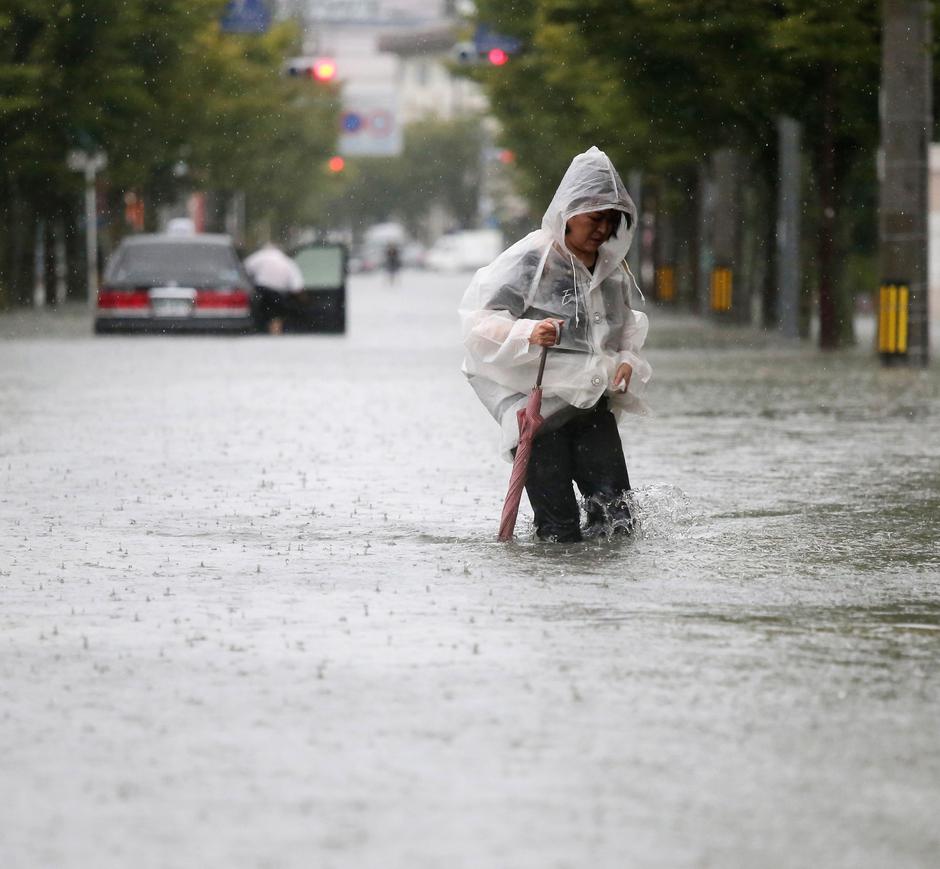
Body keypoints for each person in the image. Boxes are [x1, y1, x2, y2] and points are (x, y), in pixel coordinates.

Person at [459, 146, 652, 543]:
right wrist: (527, 332)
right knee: (558, 531)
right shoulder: (531, 260)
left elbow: (623, 335)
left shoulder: (614, 274)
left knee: (616, 524)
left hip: (591, 406)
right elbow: (479, 324)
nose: (601, 230)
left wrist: (627, 362)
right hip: (536, 413)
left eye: (612, 222)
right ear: (569, 212)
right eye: (595, 218)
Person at [244, 241, 305, 334]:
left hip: (260, 292)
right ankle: (275, 334)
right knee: (275, 317)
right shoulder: (287, 262)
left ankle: (259, 331)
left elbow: (244, 268)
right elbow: (297, 286)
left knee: (259, 317)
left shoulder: (259, 256)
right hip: (277, 295)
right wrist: (304, 301)